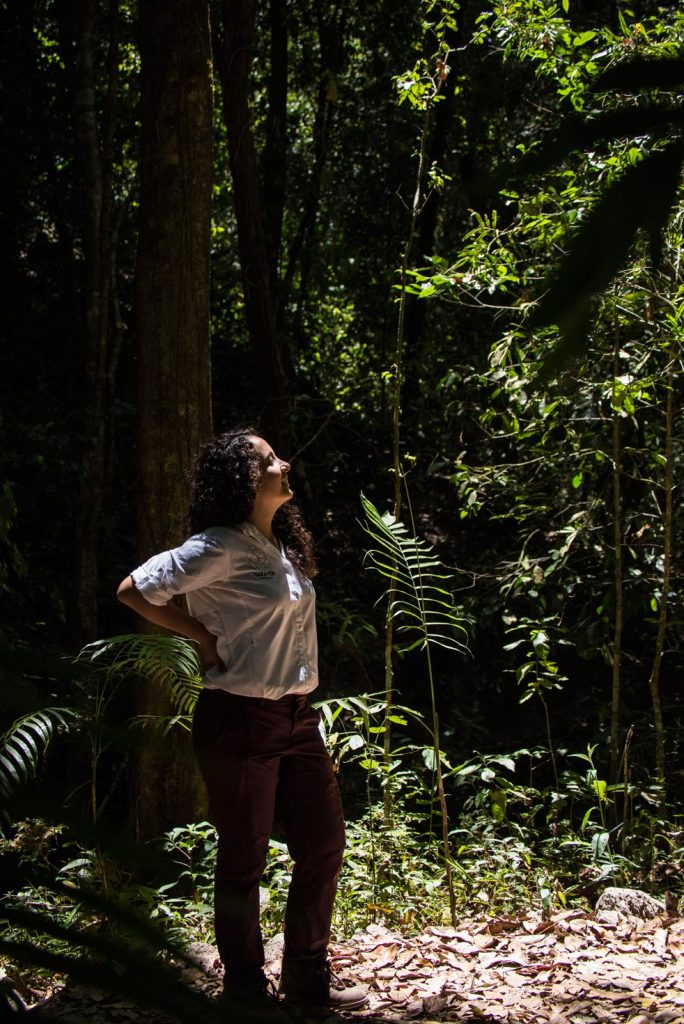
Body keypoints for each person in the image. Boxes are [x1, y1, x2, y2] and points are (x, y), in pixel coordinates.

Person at [116, 429, 367, 1012]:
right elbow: (135, 590)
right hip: (240, 719)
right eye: (269, 459)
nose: (284, 464)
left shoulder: (275, 545)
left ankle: (306, 980)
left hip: (298, 718)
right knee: (243, 858)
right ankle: (246, 990)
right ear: (244, 481)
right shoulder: (218, 545)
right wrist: (201, 635)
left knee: (325, 845)